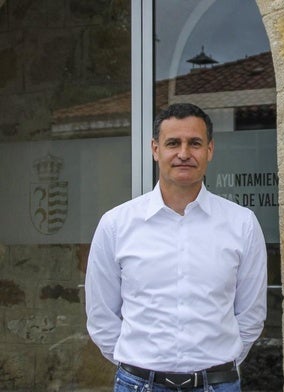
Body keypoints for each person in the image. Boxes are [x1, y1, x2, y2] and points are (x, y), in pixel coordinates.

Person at [85, 103, 268, 392]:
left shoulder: (242, 224)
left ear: (210, 150)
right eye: (173, 143)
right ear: (155, 149)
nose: (184, 153)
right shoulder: (116, 225)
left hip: (217, 385)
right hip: (138, 384)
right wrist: (138, 364)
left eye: (194, 143)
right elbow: (101, 315)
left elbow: (251, 315)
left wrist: (218, 365)